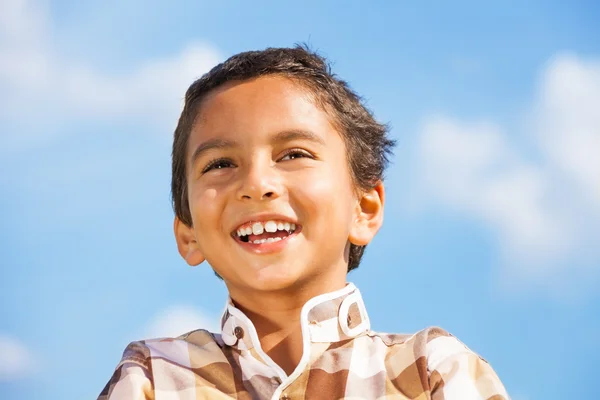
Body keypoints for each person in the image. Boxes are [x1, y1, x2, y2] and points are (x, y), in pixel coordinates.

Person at [98, 46, 509, 399]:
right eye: (220, 164)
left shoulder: (430, 372)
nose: (256, 184)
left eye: (293, 154)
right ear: (188, 235)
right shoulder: (153, 378)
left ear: (363, 209)